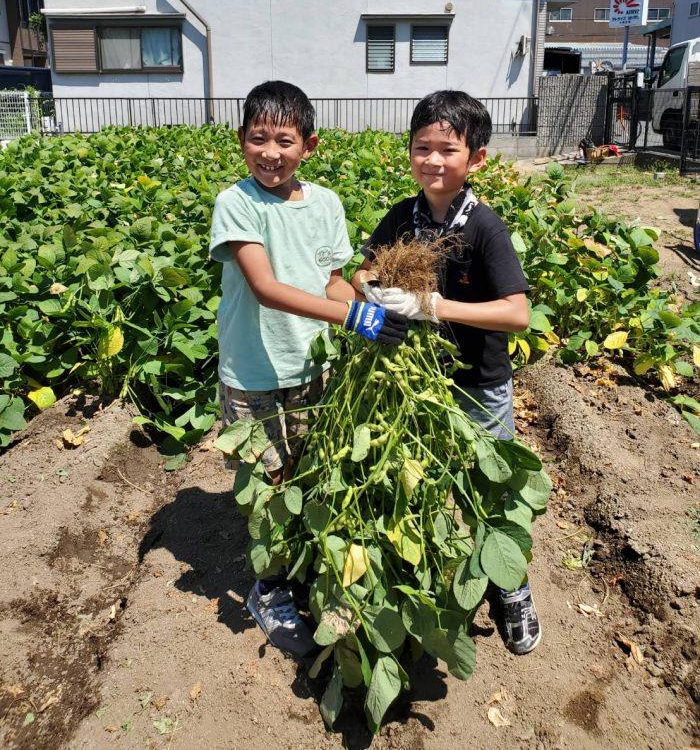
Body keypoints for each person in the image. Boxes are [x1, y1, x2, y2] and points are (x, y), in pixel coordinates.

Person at [209, 80, 408, 658]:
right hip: (251, 372)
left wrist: (365, 305)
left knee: (304, 475)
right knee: (265, 486)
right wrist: (352, 319)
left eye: (285, 140)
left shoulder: (326, 204)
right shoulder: (237, 203)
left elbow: (331, 279)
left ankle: (299, 568)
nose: (270, 152)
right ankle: (268, 589)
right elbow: (267, 289)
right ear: (241, 140)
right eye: (257, 138)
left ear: (310, 145)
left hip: (311, 367)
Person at [352, 89, 541, 656]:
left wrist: (437, 307)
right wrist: (376, 290)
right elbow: (361, 273)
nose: (433, 160)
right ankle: (428, 579)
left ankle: (512, 588)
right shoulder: (403, 217)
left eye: (448, 149)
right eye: (422, 147)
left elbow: (518, 313)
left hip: (479, 385)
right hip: (414, 382)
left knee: (490, 489)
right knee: (424, 483)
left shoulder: (484, 227)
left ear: (476, 158)